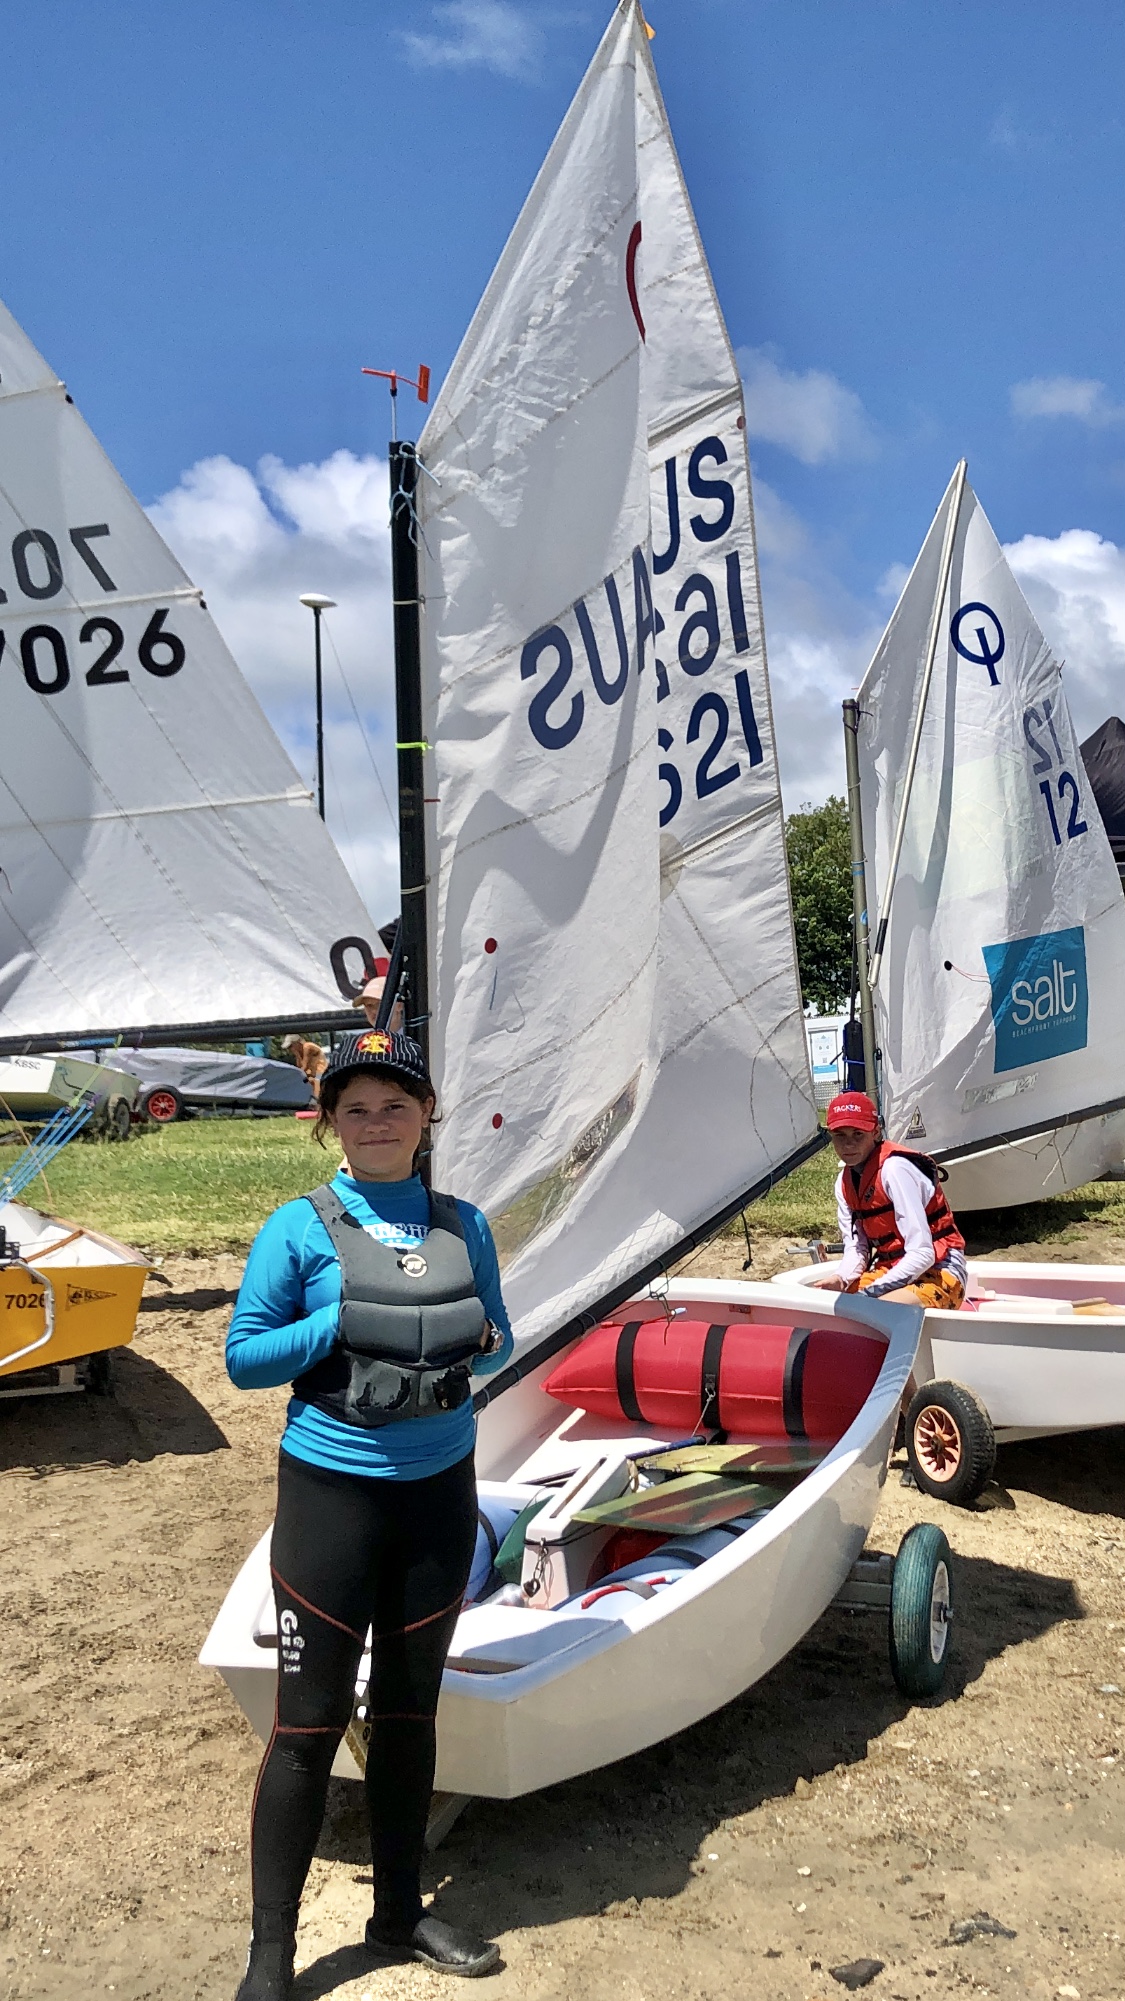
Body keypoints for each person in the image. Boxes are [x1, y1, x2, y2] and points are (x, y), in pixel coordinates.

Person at [225, 1027, 513, 1995]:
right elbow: (243, 1358)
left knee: (407, 1712)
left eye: (396, 1104)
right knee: (306, 1728)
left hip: (438, 1499)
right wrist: (336, 1320)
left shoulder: (464, 1225)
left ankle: (398, 1914)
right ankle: (272, 1956)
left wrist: (474, 1335)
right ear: (330, 1122)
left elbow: (500, 1339)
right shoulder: (297, 1228)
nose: (377, 1121)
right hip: (332, 1502)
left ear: (427, 1115)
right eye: (356, 1107)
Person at [817, 1090, 967, 1308]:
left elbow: (923, 1253)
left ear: (875, 1132)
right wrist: (841, 1278)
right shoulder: (843, 1182)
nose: (848, 1144)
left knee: (872, 1309)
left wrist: (870, 1293)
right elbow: (857, 1248)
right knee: (832, 1306)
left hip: (940, 1270)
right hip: (890, 1268)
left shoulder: (895, 1169)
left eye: (858, 1134)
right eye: (840, 1135)